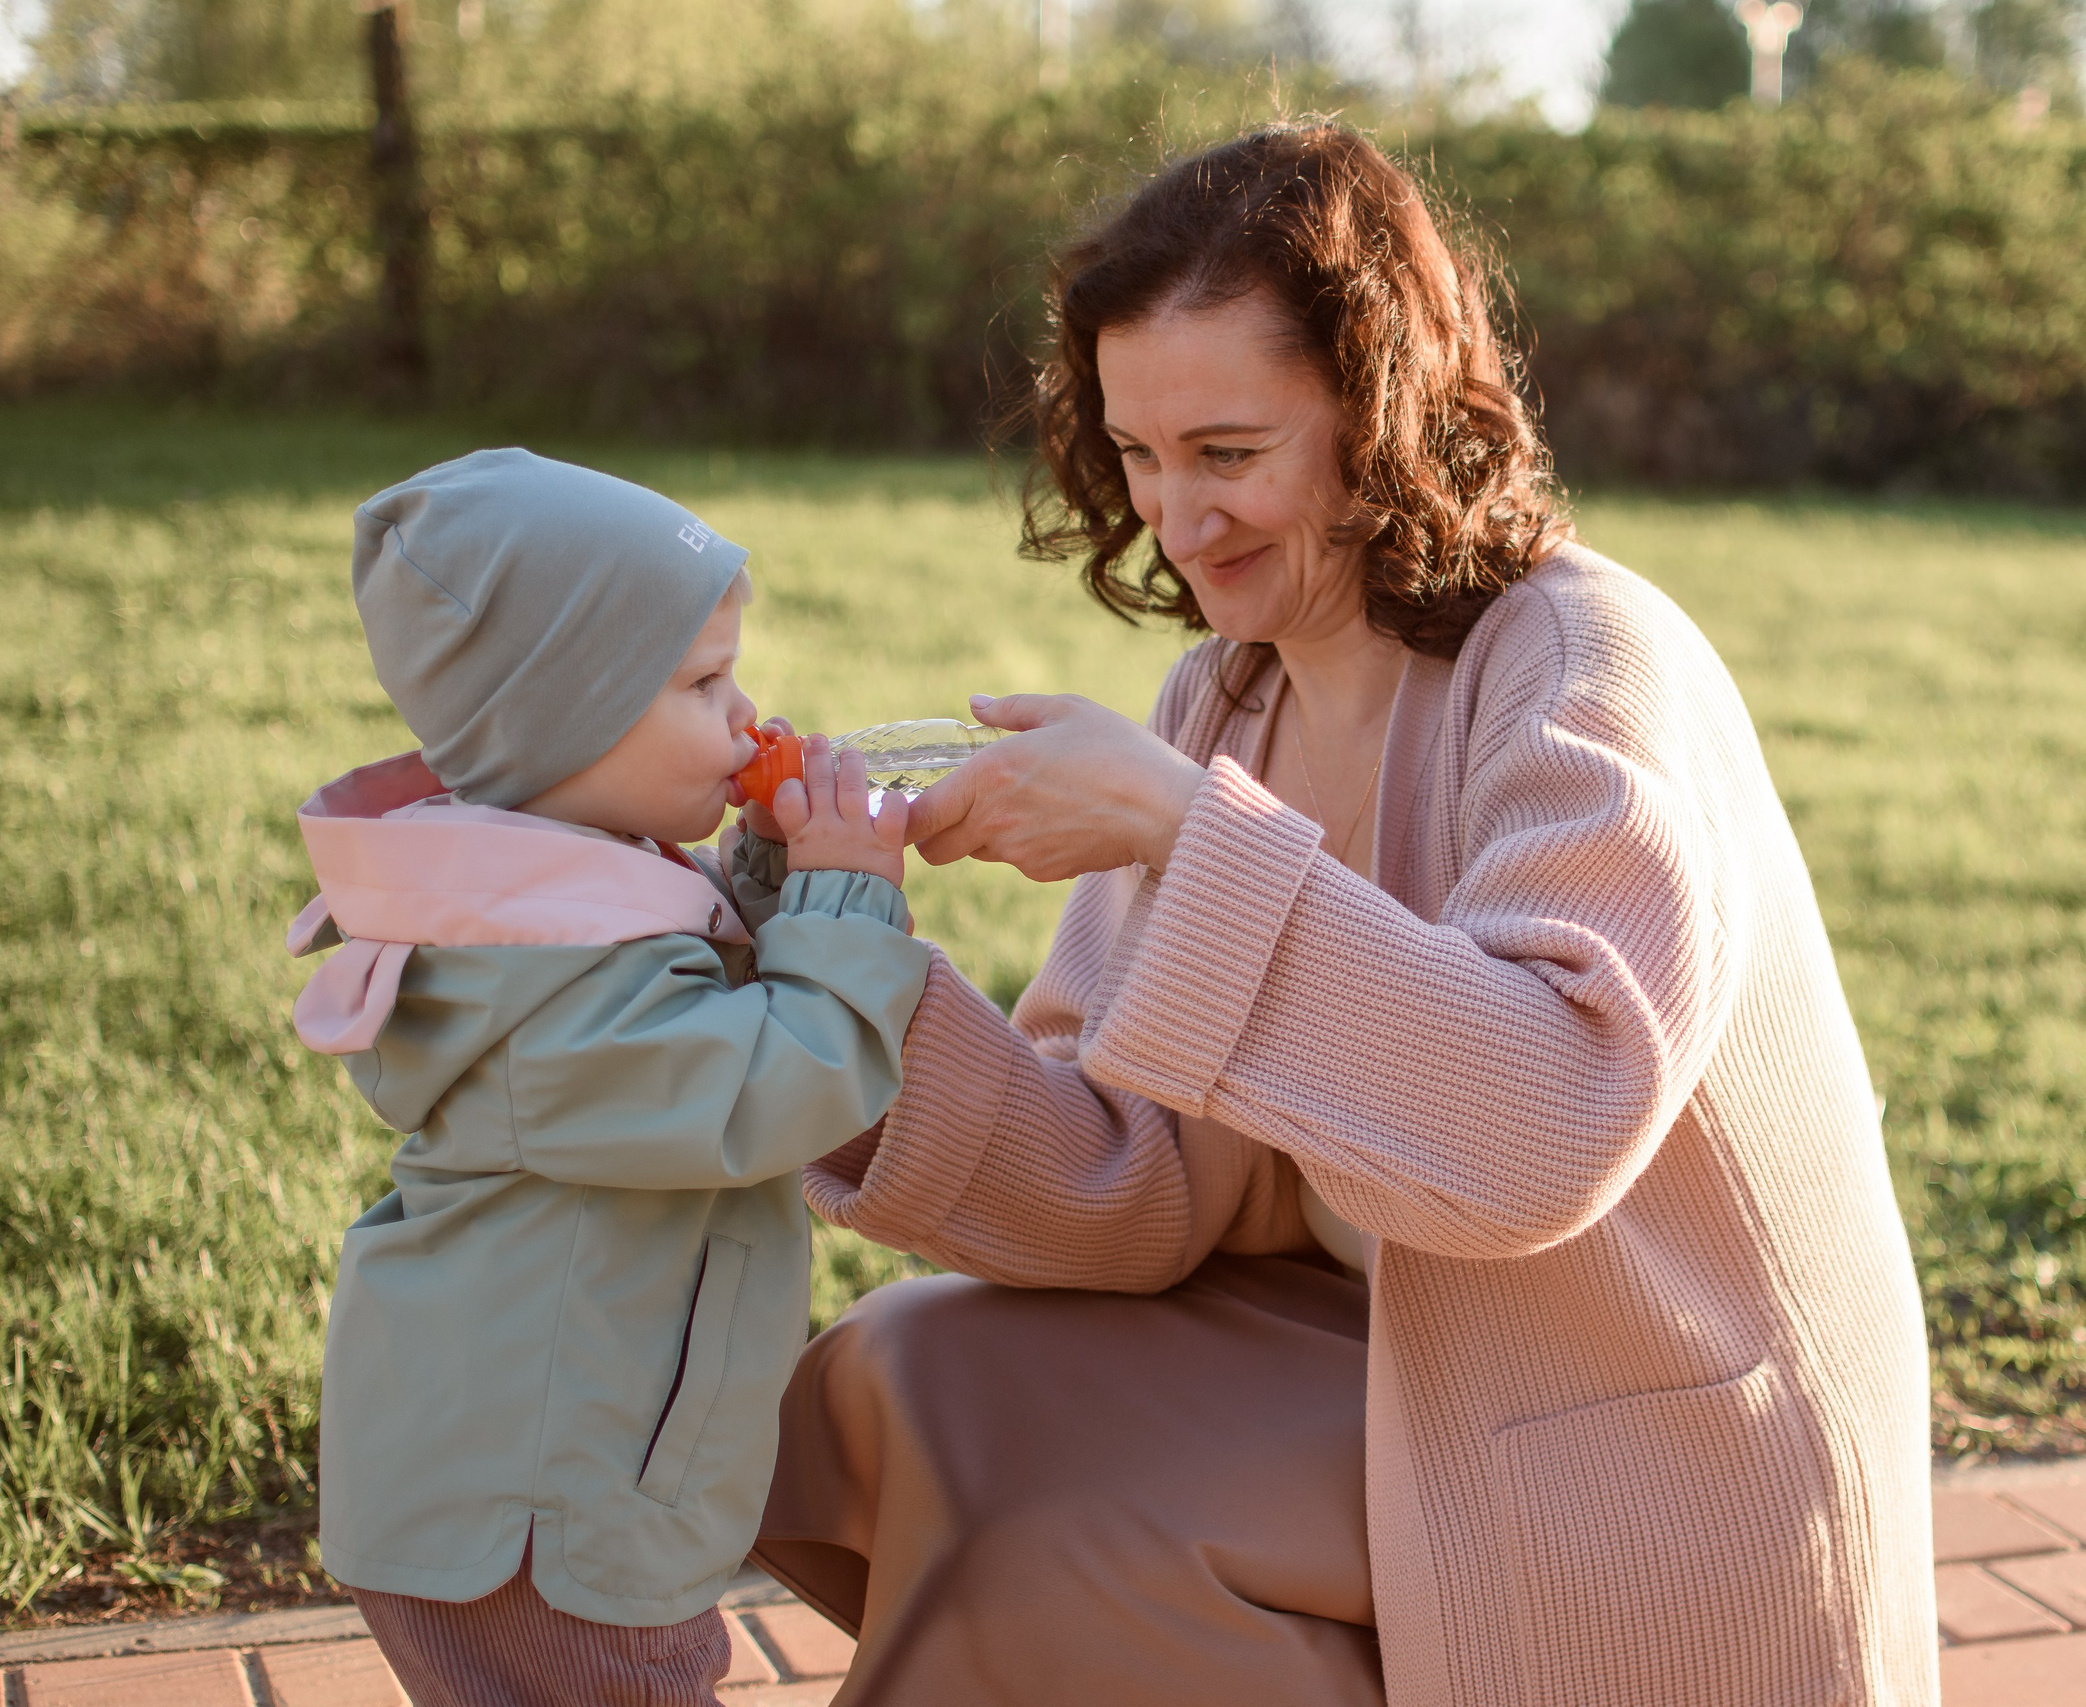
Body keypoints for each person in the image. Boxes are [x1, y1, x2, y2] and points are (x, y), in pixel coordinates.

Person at [746, 122, 1939, 1706]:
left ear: (1387, 417)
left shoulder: (1584, 662)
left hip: (1632, 1427)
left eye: (1230, 453)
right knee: (928, 1374)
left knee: (1076, 1532)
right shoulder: (1218, 698)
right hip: (1368, 1350)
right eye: (1139, 454)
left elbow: (1542, 1128)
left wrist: (1180, 827)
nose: (1176, 515)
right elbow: (1134, 1181)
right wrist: (845, 967)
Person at [285, 449, 930, 1707]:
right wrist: (849, 904)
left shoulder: (547, 899)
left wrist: (764, 882)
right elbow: (773, 1088)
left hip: (520, 1494)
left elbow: (690, 1000)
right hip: (541, 1527)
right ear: (559, 722)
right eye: (701, 682)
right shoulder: (550, 983)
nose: (747, 719)